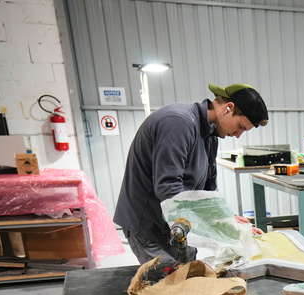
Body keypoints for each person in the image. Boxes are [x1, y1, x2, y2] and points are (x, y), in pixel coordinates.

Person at [114, 82, 269, 268]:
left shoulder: (210, 135)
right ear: (229, 108)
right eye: (240, 127)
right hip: (150, 225)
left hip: (175, 223)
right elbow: (168, 188)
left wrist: (229, 220)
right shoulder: (178, 122)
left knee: (189, 274)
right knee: (171, 285)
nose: (237, 135)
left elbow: (208, 190)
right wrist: (219, 225)